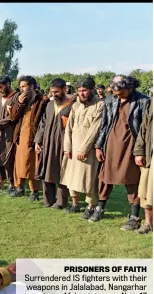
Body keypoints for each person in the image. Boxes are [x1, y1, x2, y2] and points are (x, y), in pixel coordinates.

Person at [94, 75, 150, 228]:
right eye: (115, 92)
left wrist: (141, 151)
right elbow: (104, 125)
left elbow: (145, 129)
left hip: (132, 145)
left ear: (130, 88)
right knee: (105, 177)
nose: (117, 95)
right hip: (110, 144)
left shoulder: (143, 101)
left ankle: (134, 215)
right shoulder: (110, 100)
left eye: (121, 93)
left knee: (132, 179)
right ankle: (99, 208)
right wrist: (99, 146)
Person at [61, 78, 104, 216]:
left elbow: (95, 129)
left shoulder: (100, 105)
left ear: (92, 90)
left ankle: (90, 206)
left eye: (84, 90)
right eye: (79, 91)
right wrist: (67, 147)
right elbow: (69, 128)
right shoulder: (75, 106)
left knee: (89, 179)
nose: (82, 93)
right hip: (73, 149)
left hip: (88, 150)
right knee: (71, 176)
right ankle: (75, 203)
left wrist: (84, 149)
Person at [35, 78, 75, 209]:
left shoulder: (72, 105)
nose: (54, 94)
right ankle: (48, 199)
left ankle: (61, 202)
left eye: (57, 92)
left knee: (62, 172)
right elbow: (43, 123)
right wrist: (38, 141)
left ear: (64, 89)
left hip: (63, 144)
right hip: (47, 143)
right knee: (46, 169)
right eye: (52, 92)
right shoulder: (50, 105)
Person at [9, 76, 48, 201]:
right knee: (19, 164)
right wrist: (19, 103)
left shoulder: (42, 101)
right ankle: (19, 188)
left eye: (24, 86)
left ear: (32, 86)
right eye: (20, 87)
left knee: (32, 165)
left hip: (33, 138)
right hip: (20, 136)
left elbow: (44, 122)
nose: (22, 89)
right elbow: (13, 117)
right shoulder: (21, 99)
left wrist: (39, 139)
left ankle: (34, 192)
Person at [0, 76, 18, 192]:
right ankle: (0, 181)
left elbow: (13, 116)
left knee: (8, 158)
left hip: (9, 132)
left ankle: (11, 183)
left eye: (1, 87)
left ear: (8, 84)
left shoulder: (16, 97)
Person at [133, 96, 153, 234]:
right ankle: (148, 224)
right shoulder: (152, 103)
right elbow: (143, 128)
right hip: (150, 154)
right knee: (146, 190)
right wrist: (139, 151)